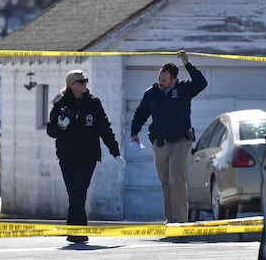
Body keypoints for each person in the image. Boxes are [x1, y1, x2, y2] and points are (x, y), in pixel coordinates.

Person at [47, 69, 126, 243]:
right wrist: (60, 126)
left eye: (85, 81)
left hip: (88, 156)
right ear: (71, 85)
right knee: (73, 194)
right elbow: (51, 130)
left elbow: (105, 129)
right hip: (67, 156)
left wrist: (115, 152)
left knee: (79, 192)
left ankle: (78, 231)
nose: (84, 84)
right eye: (80, 82)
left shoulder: (94, 103)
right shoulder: (60, 104)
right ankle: (74, 231)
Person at [130, 51, 208, 223]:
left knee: (177, 179)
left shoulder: (184, 89)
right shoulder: (151, 93)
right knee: (165, 183)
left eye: (164, 80)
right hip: (160, 144)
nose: (160, 83)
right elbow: (141, 113)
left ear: (174, 80)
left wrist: (187, 64)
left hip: (181, 141)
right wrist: (134, 133)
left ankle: (181, 222)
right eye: (159, 79)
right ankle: (171, 221)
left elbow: (202, 83)